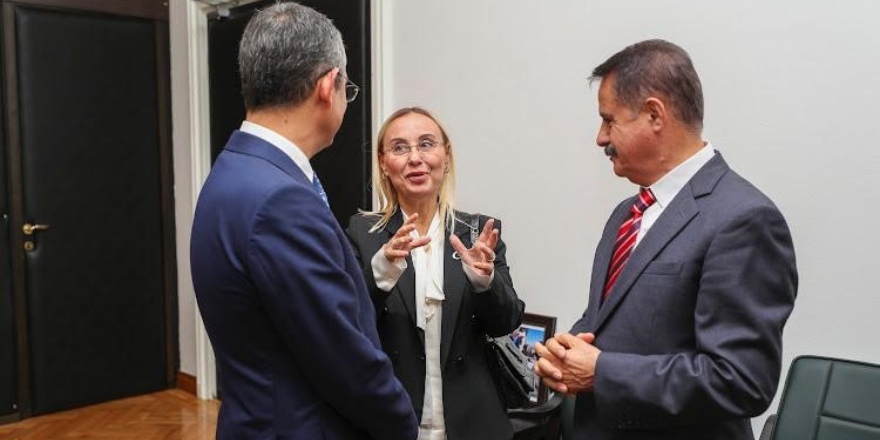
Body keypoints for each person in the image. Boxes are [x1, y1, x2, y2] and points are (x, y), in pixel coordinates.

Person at [534, 39, 797, 440]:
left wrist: (602, 372)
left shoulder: (744, 219)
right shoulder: (626, 213)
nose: (600, 138)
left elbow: (741, 380)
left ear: (655, 114)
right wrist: (565, 352)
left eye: (609, 120)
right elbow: (608, 322)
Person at [190, 4, 417, 440]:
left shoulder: (233, 171)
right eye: (348, 88)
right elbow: (345, 360)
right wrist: (404, 425)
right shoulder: (282, 199)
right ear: (328, 86)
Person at [345, 107, 524, 440]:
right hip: (392, 420)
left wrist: (484, 282)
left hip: (473, 424)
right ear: (383, 162)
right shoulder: (363, 233)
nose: (415, 158)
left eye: (426, 144)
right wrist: (381, 271)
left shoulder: (478, 232)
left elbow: (507, 321)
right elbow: (349, 323)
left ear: (446, 155)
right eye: (400, 148)